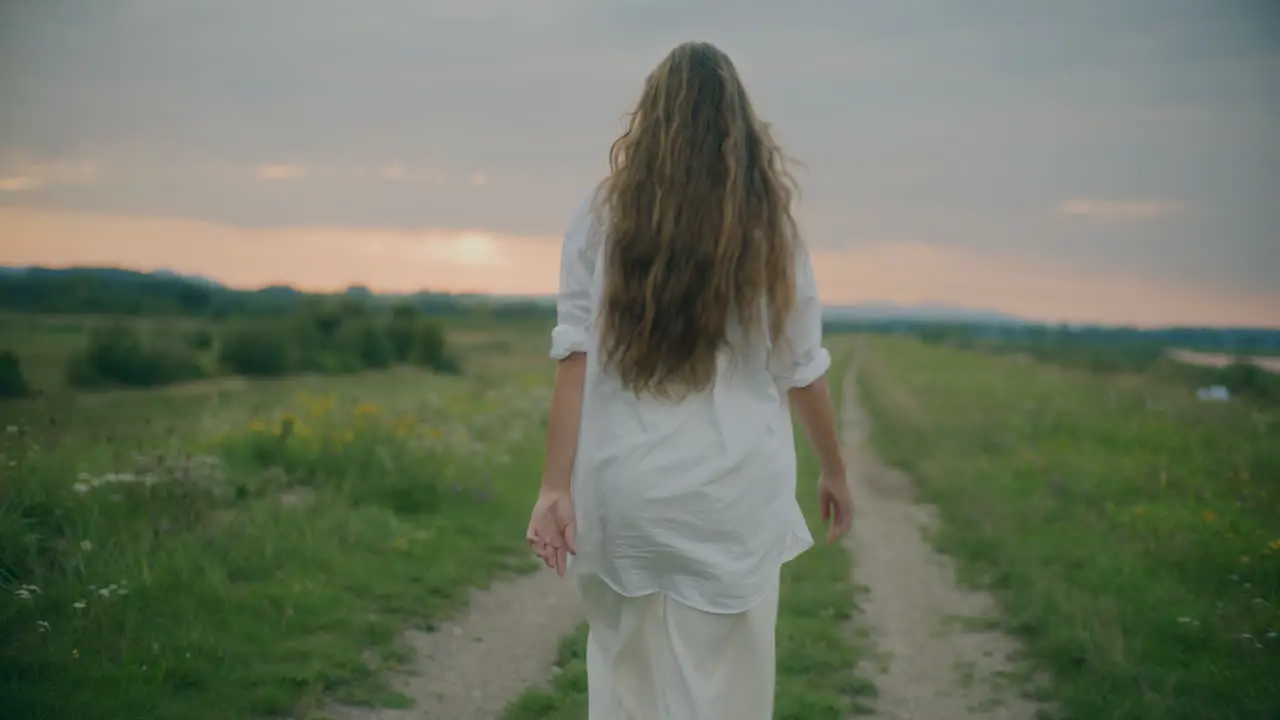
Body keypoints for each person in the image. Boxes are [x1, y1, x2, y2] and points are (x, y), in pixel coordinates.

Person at [525, 40, 853, 720]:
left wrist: (554, 486)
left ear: (650, 122)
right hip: (730, 498)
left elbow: (574, 357)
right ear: (739, 128)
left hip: (626, 493)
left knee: (625, 691)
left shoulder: (599, 216)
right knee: (726, 696)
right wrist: (835, 473)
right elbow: (801, 367)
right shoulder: (769, 230)